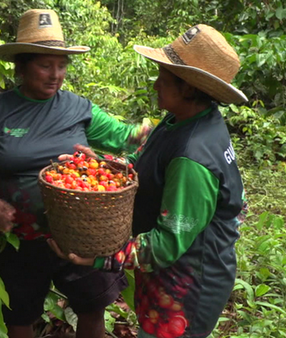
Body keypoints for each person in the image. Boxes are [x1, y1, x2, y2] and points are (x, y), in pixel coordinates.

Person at [0, 9, 151, 338]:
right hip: (19, 240)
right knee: (19, 316)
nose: (56, 74)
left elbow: (126, 138)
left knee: (92, 308)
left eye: (62, 65)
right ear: (22, 66)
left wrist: (158, 128)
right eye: (44, 64)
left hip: (81, 234)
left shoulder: (78, 108)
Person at [49, 24, 248, 338]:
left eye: (164, 79)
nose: (156, 85)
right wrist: (99, 166)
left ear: (189, 88)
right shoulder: (180, 121)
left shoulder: (193, 157)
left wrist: (100, 258)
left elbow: (165, 245)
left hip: (188, 286)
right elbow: (149, 166)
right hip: (167, 279)